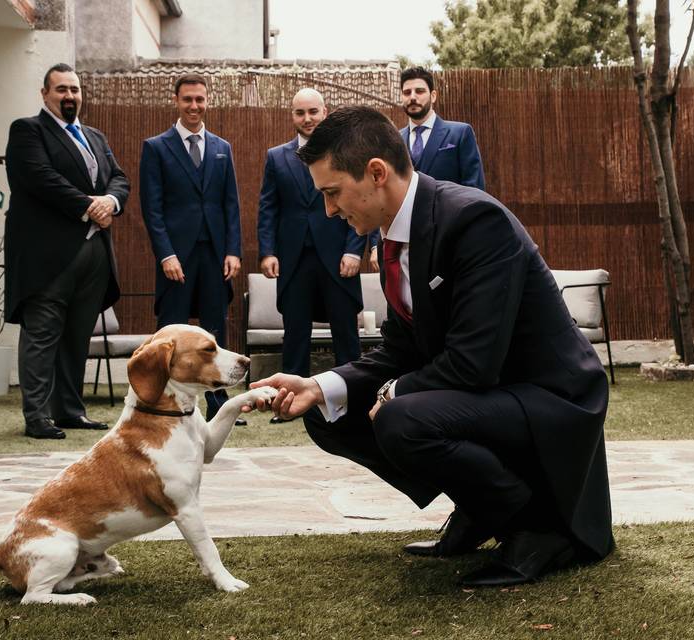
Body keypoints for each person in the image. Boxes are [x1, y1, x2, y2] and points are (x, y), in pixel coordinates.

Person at [252, 106, 613, 587]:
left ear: (376, 173)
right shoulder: (392, 237)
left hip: (549, 398)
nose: (330, 211)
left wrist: (391, 394)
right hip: (486, 394)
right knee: (326, 410)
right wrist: (320, 386)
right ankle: (483, 507)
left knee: (403, 418)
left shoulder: (474, 220)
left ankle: (538, 527)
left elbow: (473, 363)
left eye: (333, 193)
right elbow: (400, 349)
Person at [4, 63, 130, 439]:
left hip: (93, 257)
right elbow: (40, 178)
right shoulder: (28, 131)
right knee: (42, 336)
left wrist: (111, 200)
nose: (69, 96)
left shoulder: (95, 136)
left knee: (77, 337)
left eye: (74, 89)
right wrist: (89, 206)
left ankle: (70, 411)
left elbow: (119, 177)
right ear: (45, 94)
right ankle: (38, 416)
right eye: (61, 89)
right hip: (47, 257)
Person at [139, 74, 244, 423]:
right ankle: (164, 401)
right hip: (176, 257)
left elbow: (231, 204)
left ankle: (217, 404)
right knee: (172, 331)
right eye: (188, 100)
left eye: (200, 99)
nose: (194, 106)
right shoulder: (156, 147)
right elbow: (152, 209)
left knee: (215, 328)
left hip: (215, 255)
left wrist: (233, 251)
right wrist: (166, 254)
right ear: (176, 101)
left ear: (207, 100)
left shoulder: (221, 148)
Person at [256, 89, 365, 423]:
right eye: (300, 113)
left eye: (313, 112)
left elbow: (361, 200)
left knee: (345, 334)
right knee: (296, 335)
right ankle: (288, 406)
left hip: (337, 257)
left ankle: (353, 402)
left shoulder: (346, 153)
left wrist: (354, 249)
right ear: (292, 116)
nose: (307, 119)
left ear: (325, 112)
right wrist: (268, 252)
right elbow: (268, 207)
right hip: (294, 260)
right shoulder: (276, 157)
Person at [368, 65, 485, 271]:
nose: (413, 97)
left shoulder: (459, 133)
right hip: (400, 243)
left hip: (447, 239)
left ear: (433, 95)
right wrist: (376, 245)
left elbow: (473, 190)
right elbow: (379, 192)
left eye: (419, 91)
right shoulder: (391, 140)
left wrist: (469, 237)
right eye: (407, 92)